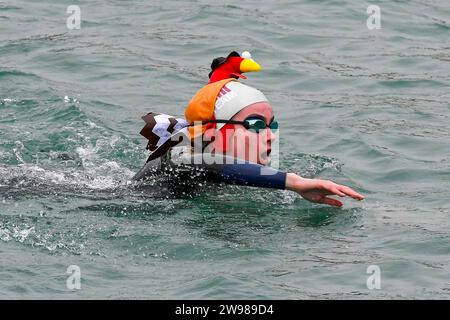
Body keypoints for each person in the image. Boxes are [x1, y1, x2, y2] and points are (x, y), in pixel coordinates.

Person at [134, 52, 364, 207]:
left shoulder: (254, 177)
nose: (270, 135)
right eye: (255, 125)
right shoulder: (175, 160)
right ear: (213, 132)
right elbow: (209, 163)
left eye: (272, 125)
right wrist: (294, 183)